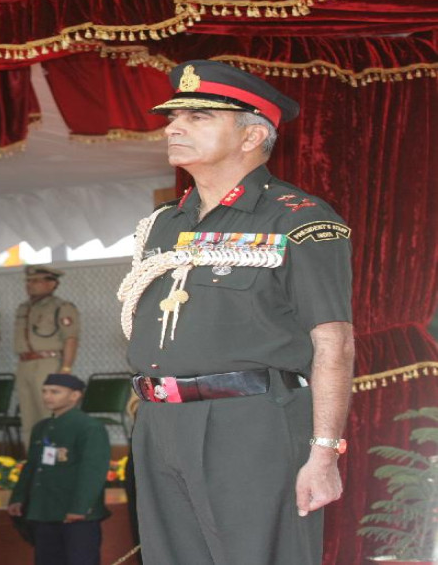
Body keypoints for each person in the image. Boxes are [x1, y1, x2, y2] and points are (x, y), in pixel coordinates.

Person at [119, 60, 354, 564]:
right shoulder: (163, 224)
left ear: (252, 135)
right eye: (173, 117)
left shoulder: (299, 220)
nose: (174, 127)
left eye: (198, 116)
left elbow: (332, 342)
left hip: (249, 422)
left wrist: (324, 452)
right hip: (158, 422)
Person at [8, 373, 110, 565]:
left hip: (76, 514)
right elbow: (32, 466)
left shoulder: (89, 427)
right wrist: (19, 497)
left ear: (75, 396)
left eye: (55, 392)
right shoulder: (41, 427)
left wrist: (80, 507)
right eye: (44, 391)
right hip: (45, 510)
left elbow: (93, 470)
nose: (47, 396)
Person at [13, 266, 81, 445]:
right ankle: (33, 456)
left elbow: (70, 339)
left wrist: (65, 369)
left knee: (49, 412)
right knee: (28, 416)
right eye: (28, 281)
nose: (30, 285)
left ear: (52, 284)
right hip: (24, 363)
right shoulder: (24, 308)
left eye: (36, 281)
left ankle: (53, 456)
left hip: (48, 363)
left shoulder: (61, 307)